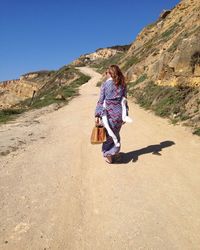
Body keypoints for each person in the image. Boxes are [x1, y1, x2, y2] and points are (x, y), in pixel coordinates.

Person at [94, 64, 129, 164]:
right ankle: (116, 153)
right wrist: (125, 115)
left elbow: (100, 101)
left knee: (108, 136)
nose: (106, 74)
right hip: (119, 114)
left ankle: (109, 155)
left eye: (106, 72)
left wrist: (97, 114)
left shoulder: (105, 85)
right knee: (116, 134)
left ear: (110, 73)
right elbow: (125, 100)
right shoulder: (123, 84)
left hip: (108, 114)